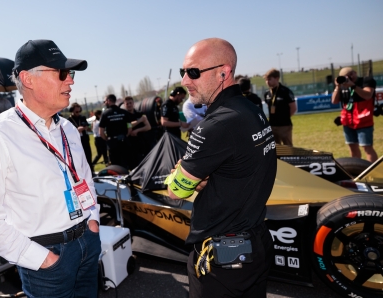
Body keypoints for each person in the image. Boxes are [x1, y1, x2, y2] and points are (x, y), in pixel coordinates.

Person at [0, 39, 101, 298]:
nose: (70, 81)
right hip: (47, 257)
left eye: (70, 73)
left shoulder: (68, 128)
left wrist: (93, 222)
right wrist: (43, 259)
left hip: (86, 242)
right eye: (62, 73)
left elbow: (85, 181)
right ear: (28, 79)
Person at [168, 38, 276, 297]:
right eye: (183, 71)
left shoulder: (215, 125)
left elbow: (175, 191)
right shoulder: (250, 108)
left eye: (193, 72)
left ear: (223, 73)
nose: (184, 80)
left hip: (223, 259)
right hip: (256, 242)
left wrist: (186, 175)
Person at [331, 67, 378, 162]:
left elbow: (367, 95)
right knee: (352, 148)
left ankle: (373, 172)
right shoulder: (342, 85)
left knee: (367, 148)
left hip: (363, 121)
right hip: (348, 121)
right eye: (346, 76)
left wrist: (353, 86)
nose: (350, 77)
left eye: (351, 74)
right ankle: (356, 171)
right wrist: (337, 87)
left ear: (355, 72)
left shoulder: (366, 81)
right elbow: (334, 101)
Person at [99, 94, 134, 169]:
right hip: (124, 141)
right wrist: (126, 135)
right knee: (125, 164)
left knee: (116, 166)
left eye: (105, 101)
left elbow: (101, 132)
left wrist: (108, 139)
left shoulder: (105, 114)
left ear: (108, 101)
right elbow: (130, 127)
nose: (105, 103)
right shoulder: (124, 112)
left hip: (112, 143)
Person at [263, 68, 296, 146]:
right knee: (274, 149)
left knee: (288, 148)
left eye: (269, 79)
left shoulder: (286, 91)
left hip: (284, 126)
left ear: (277, 78)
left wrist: (284, 118)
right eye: (266, 80)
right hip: (272, 125)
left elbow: (293, 108)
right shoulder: (267, 94)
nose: (267, 82)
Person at [123, 96, 151, 169]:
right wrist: (139, 121)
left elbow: (148, 127)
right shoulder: (124, 115)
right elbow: (127, 126)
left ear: (133, 103)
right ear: (124, 105)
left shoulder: (140, 113)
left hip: (142, 142)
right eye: (127, 104)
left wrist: (137, 130)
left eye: (130, 103)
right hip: (130, 143)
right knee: (133, 165)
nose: (129, 105)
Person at [68, 102, 93, 173]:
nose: (78, 113)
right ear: (72, 110)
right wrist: (77, 130)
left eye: (79, 111)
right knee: (78, 158)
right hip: (75, 142)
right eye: (76, 111)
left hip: (84, 140)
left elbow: (89, 128)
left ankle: (91, 172)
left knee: (88, 156)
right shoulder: (68, 120)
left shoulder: (82, 118)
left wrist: (87, 127)